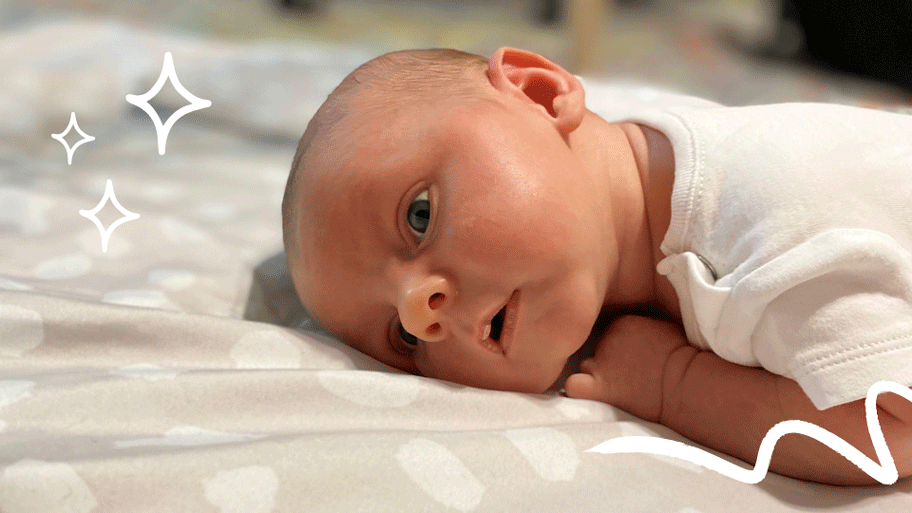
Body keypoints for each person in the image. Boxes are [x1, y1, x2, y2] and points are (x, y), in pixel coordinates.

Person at [281, 47, 912, 485]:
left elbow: (892, 433)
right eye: (401, 338)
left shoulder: (768, 226)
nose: (421, 310)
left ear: (539, 92)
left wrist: (675, 384)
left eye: (419, 215)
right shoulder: (633, 192)